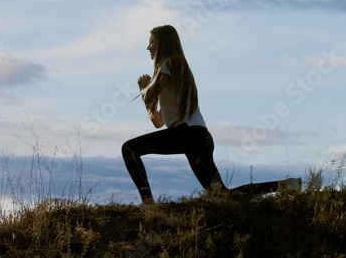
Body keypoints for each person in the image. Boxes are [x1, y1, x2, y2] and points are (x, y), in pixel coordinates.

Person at [121, 24, 299, 205]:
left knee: (129, 149)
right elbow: (158, 122)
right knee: (222, 195)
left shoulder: (171, 62)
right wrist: (148, 102)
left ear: (163, 43)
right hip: (198, 136)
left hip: (187, 133)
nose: (148, 47)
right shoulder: (174, 67)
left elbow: (149, 94)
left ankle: (148, 204)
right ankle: (286, 185)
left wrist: (144, 88)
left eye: (152, 42)